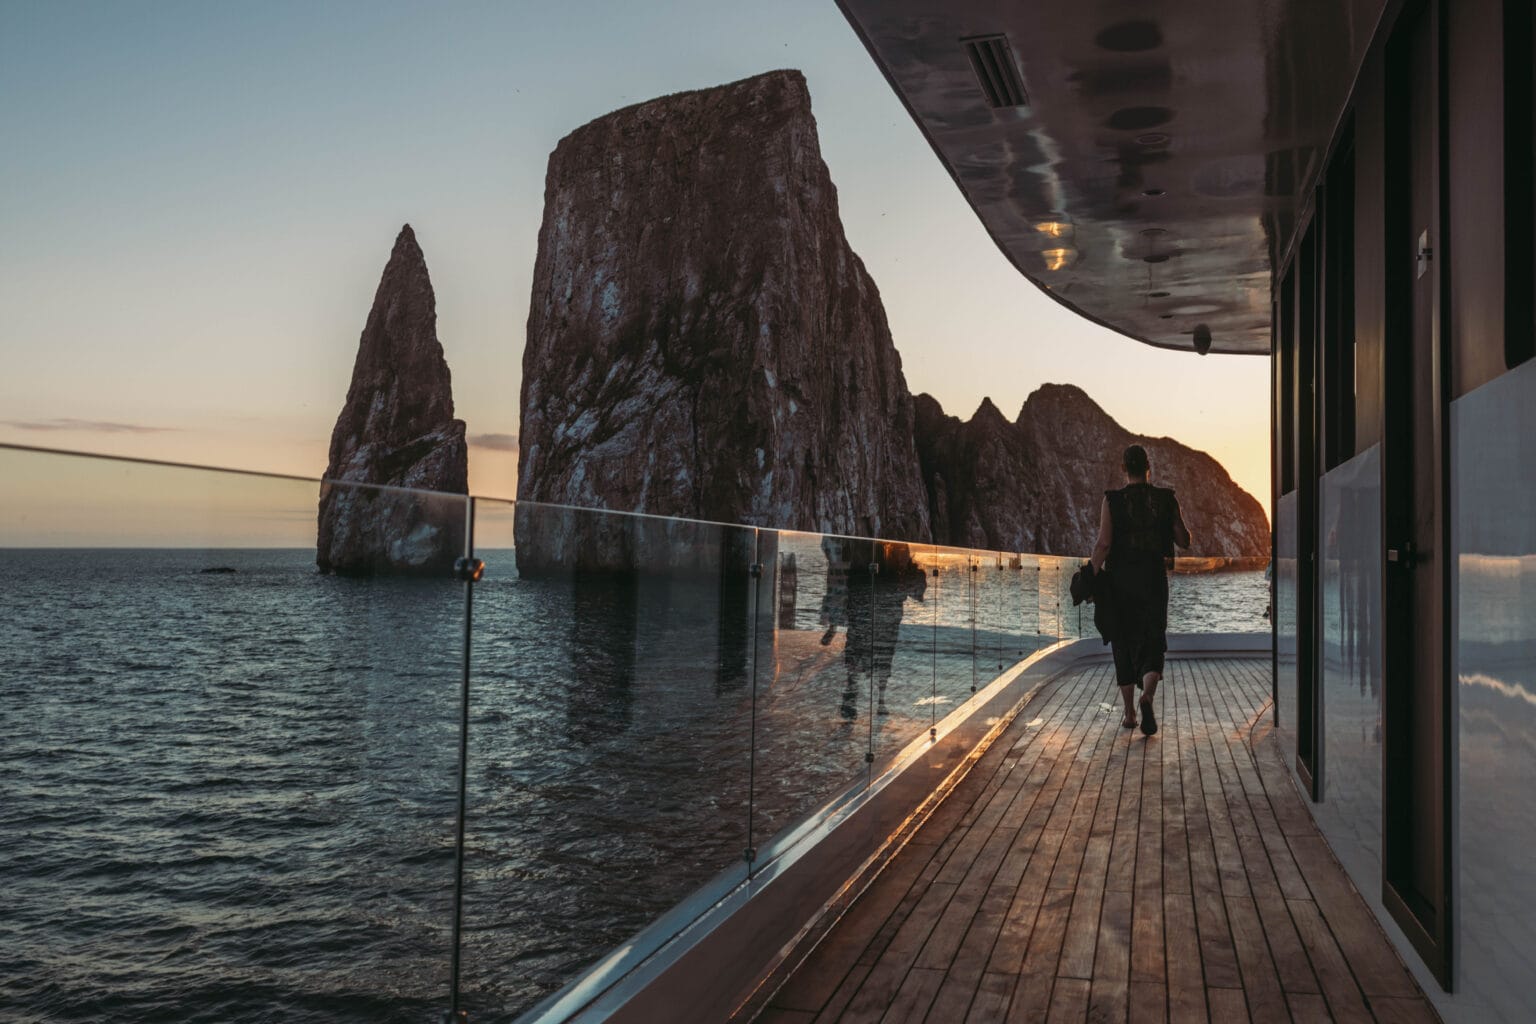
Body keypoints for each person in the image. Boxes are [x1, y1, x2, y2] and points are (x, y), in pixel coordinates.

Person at [1090, 444, 1192, 735]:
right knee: (1152, 640)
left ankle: (1130, 713)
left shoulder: (1112, 501)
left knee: (1122, 642)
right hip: (1153, 580)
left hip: (1120, 581)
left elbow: (1104, 544)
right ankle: (1147, 695)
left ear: (1124, 469)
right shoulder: (1165, 500)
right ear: (1149, 467)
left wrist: (1089, 573)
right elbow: (1184, 539)